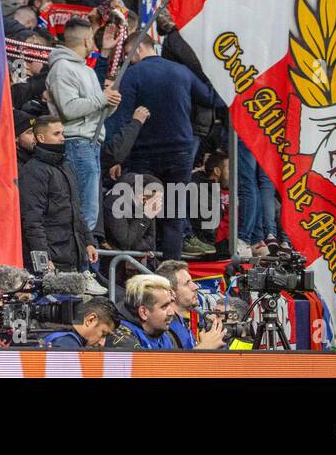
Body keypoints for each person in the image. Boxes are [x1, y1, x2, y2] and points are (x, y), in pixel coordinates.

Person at [110, 30, 219, 260]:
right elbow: (209, 98)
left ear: (139, 49)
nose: (126, 60)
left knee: (138, 210)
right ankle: (172, 268)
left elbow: (122, 118)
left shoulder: (133, 74)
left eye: (128, 54)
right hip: (180, 151)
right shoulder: (182, 71)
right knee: (174, 213)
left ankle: (139, 269)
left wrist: (117, 156)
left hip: (143, 154)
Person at [46, 19, 121, 243]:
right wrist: (101, 98)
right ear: (87, 39)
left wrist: (110, 104)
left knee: (90, 208)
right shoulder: (62, 68)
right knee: (84, 209)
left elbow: (94, 111)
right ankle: (79, 264)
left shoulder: (85, 70)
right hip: (76, 143)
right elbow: (69, 110)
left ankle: (83, 261)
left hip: (90, 143)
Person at [18, 117, 99, 278]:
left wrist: (88, 242)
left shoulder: (66, 166)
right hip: (52, 258)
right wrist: (43, 259)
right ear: (41, 137)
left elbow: (77, 211)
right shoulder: (33, 171)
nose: (62, 137)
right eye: (56, 134)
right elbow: (32, 220)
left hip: (73, 255)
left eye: (63, 133)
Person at [156, 259, 225, 350]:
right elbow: (167, 364)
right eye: (187, 283)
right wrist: (204, 347)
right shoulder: (161, 328)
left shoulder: (182, 324)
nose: (196, 287)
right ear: (171, 292)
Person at [107, 274, 183, 349]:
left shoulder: (165, 334)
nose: (172, 312)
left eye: (170, 304)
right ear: (143, 312)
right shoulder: (121, 339)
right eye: (164, 307)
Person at [42, 296, 120, 349]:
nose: (102, 344)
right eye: (103, 334)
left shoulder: (53, 330)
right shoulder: (68, 346)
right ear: (91, 320)